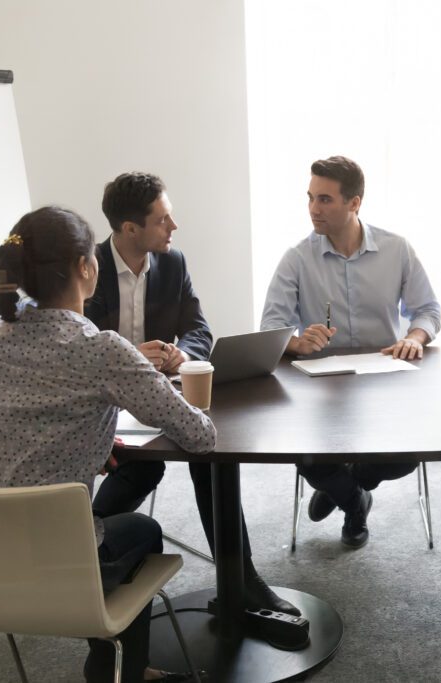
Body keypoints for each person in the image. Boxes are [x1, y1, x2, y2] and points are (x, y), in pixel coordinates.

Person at [0, 206, 216, 683]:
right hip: (54, 566)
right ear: (86, 267)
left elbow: (22, 415)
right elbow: (200, 436)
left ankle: (107, 663)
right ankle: (121, 670)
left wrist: (87, 441)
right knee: (141, 531)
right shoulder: (99, 349)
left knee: (101, 520)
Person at [85, 172, 298, 616]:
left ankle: (243, 578)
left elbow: (200, 328)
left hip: (161, 397)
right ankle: (85, 545)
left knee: (208, 458)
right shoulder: (89, 273)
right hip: (106, 405)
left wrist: (182, 353)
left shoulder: (173, 262)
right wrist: (127, 357)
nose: (173, 227)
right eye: (163, 219)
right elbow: (83, 347)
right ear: (129, 230)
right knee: (142, 471)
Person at [260, 155, 441, 548]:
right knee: (305, 455)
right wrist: (296, 343)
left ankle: (343, 485)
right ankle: (356, 503)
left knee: (407, 454)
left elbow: (428, 310)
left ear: (354, 203)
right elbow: (271, 328)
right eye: (310, 197)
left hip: (386, 380)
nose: (313, 208)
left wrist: (415, 337)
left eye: (325, 199)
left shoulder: (397, 249)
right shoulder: (296, 258)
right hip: (321, 388)